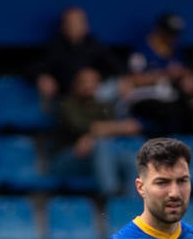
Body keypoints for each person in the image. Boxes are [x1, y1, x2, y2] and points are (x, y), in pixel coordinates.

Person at [51, 66, 142, 196]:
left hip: (96, 158)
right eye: (84, 82)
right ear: (75, 85)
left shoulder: (103, 106)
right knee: (102, 144)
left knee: (130, 161)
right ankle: (111, 194)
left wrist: (93, 137)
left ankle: (130, 205)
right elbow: (86, 127)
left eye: (93, 82)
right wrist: (120, 127)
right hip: (67, 158)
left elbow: (107, 130)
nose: (88, 86)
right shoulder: (67, 104)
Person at [121, 13, 193, 136]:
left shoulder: (175, 50)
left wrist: (186, 77)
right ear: (159, 30)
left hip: (171, 96)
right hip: (146, 97)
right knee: (168, 114)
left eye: (175, 34)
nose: (172, 37)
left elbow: (185, 71)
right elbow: (134, 80)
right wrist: (165, 75)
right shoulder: (142, 49)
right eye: (169, 33)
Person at [32, 6, 123, 104]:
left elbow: (116, 66)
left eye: (77, 23)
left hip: (95, 96)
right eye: (68, 23)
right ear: (62, 26)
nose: (72, 27)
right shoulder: (55, 46)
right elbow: (34, 68)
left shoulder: (94, 44)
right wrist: (42, 77)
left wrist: (97, 79)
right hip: (66, 97)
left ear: (86, 26)